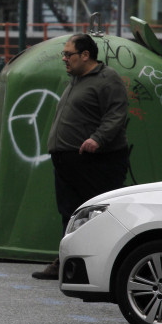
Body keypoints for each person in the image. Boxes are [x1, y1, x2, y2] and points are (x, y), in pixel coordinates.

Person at [32, 33, 129, 280]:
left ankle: (93, 268)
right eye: (63, 54)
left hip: (95, 162)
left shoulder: (107, 79)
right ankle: (67, 263)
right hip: (68, 162)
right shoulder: (75, 80)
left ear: (85, 55)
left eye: (68, 54)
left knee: (92, 214)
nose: (64, 58)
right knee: (69, 213)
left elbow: (116, 115)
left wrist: (98, 138)